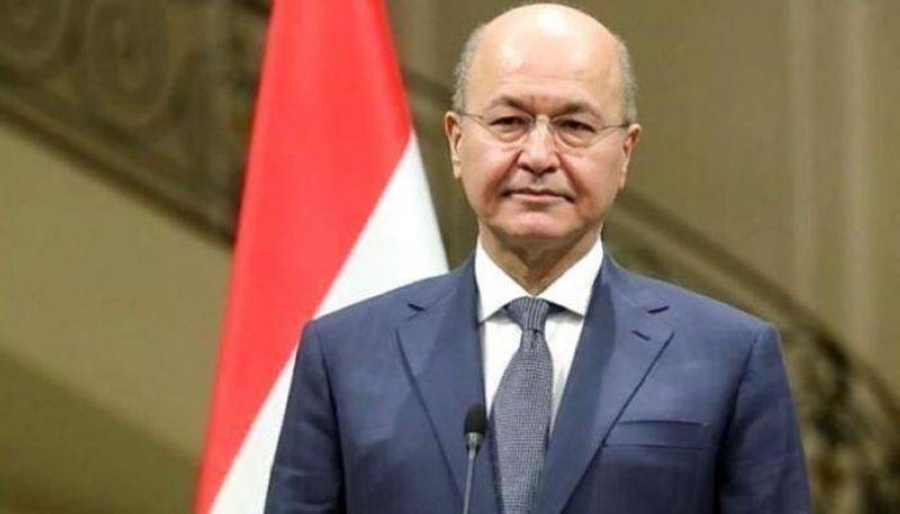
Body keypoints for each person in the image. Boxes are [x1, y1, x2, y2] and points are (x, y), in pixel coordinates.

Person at [265, 4, 811, 513]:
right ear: (456, 141)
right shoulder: (344, 356)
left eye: (575, 126)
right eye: (509, 121)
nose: (539, 156)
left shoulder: (728, 358)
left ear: (624, 153)